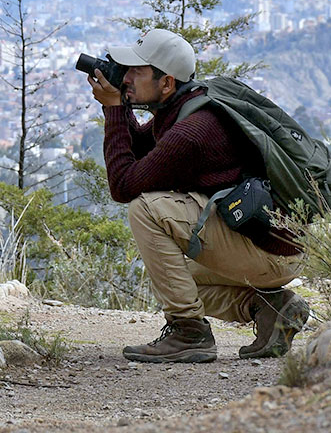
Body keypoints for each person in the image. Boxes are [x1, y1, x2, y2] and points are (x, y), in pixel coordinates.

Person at [87, 28, 309, 363]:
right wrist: (118, 105)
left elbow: (123, 186)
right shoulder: (190, 107)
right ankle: (270, 309)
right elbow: (139, 145)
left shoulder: (192, 130)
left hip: (268, 252)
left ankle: (188, 333)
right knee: (175, 280)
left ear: (167, 83)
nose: (127, 78)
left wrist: (116, 108)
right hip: (276, 247)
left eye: (136, 71)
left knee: (144, 209)